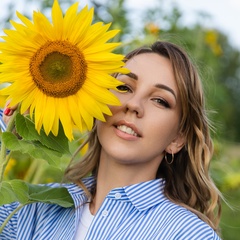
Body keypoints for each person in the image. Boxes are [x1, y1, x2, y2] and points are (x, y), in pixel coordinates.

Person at [0, 40, 221, 239]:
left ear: (177, 138)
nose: (133, 104)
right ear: (97, 101)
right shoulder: (34, 207)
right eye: (124, 87)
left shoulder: (188, 234)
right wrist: (14, 120)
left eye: (160, 101)